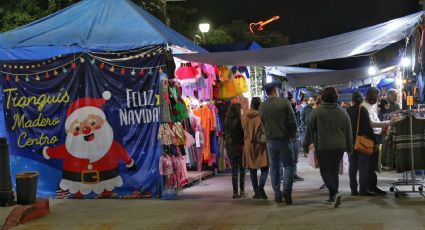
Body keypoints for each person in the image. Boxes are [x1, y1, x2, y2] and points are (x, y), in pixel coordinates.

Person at [303, 87, 352, 208]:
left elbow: (309, 130)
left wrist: (305, 146)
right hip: (339, 147)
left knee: (325, 172)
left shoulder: (317, 111)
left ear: (323, 97)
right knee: (334, 170)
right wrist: (349, 147)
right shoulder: (342, 111)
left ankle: (334, 192)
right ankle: (332, 196)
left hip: (323, 146)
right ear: (336, 97)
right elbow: (348, 131)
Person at [260, 86, 297, 205]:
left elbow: (262, 124)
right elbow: (293, 120)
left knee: (274, 167)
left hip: (270, 141)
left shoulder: (262, 106)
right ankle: (287, 192)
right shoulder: (284, 102)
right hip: (285, 139)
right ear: (275, 91)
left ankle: (277, 193)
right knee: (288, 166)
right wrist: (292, 135)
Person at [346, 92, 377, 196]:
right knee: (363, 167)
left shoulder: (347, 110)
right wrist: (375, 141)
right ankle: (363, 190)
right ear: (361, 100)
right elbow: (368, 128)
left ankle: (353, 190)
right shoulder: (362, 110)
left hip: (350, 142)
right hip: (362, 142)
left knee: (352, 167)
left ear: (352, 100)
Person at [362, 87, 389, 195]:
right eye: (377, 96)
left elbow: (374, 123)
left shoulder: (370, 106)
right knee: (370, 165)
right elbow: (371, 124)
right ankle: (370, 187)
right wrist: (387, 122)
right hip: (370, 138)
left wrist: (382, 128)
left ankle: (372, 186)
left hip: (375, 136)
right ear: (371, 95)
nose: (378, 98)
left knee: (372, 165)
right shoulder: (364, 107)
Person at [241, 97, 269, 200]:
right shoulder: (261, 115)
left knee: (252, 170)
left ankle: (256, 191)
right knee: (265, 168)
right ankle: (260, 189)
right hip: (261, 145)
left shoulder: (244, 115)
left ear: (251, 105)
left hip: (248, 145)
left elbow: (242, 128)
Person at [224, 103, 245, 199]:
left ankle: (235, 192)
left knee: (234, 170)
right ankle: (242, 190)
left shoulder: (226, 120)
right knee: (242, 169)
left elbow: (225, 134)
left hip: (230, 147)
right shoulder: (240, 121)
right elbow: (242, 134)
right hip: (239, 147)